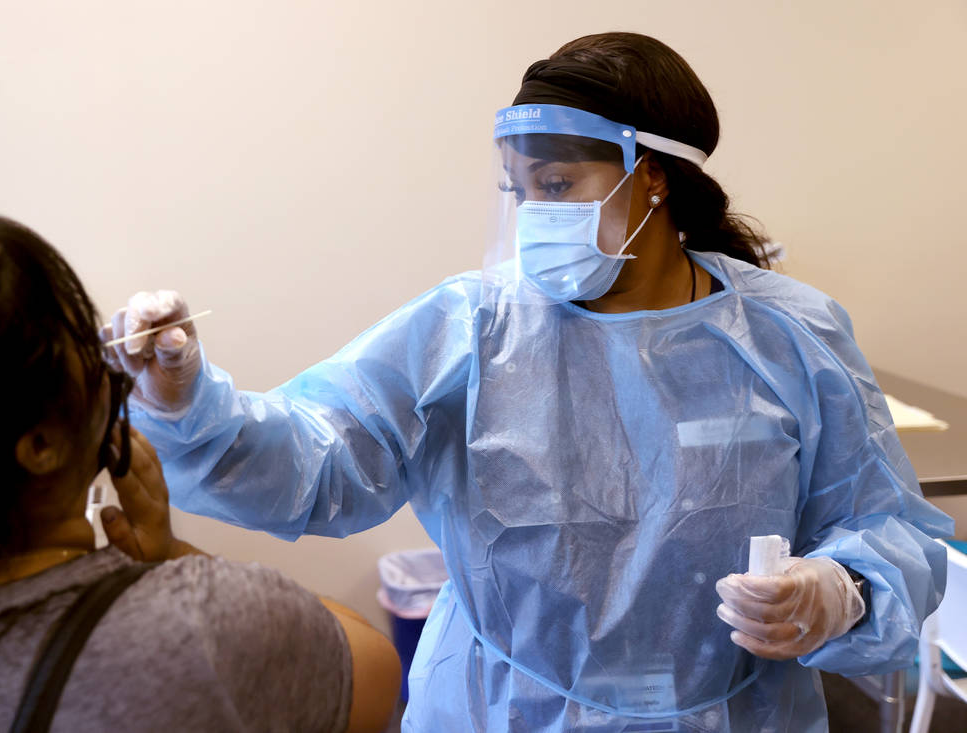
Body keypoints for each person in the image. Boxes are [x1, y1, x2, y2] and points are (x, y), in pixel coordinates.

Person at [109, 33, 953, 732]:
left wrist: (840, 591)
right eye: (522, 191)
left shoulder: (790, 333)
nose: (536, 218)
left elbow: (888, 524)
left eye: (557, 187)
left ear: (651, 174)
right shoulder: (470, 328)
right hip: (498, 711)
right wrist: (186, 404)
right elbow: (318, 458)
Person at [0, 212, 401, 733]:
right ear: (39, 443)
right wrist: (167, 558)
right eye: (74, 333)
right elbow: (372, 674)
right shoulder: (200, 630)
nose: (102, 353)